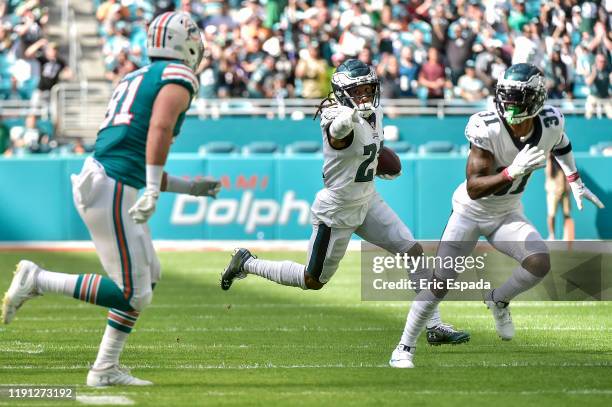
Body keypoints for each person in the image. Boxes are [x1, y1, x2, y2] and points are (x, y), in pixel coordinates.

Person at [2, 12, 221, 386]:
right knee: (134, 293)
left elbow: (134, 154)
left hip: (108, 180)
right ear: (180, 41)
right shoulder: (178, 76)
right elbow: (160, 128)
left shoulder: (135, 77)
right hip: (112, 185)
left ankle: (105, 368)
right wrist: (151, 188)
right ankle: (37, 279)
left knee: (147, 278)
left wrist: (187, 187)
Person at [221, 59, 469, 347]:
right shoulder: (334, 114)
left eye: (367, 89)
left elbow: (372, 145)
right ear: (342, 93)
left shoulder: (374, 110)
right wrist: (345, 119)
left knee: (412, 251)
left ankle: (434, 325)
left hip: (367, 198)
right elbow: (338, 135)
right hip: (337, 209)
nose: (364, 96)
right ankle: (247, 263)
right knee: (312, 280)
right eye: (357, 91)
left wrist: (381, 161)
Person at [390, 63, 604, 368]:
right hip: (469, 212)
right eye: (507, 95)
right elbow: (475, 187)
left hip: (507, 213)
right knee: (440, 283)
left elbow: (561, 143)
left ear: (536, 98)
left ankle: (498, 299)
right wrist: (510, 171)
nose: (510, 104)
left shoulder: (550, 120)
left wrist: (574, 179)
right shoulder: (487, 126)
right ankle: (404, 347)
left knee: (539, 262)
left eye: (518, 97)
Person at [545, 153, 572, 240]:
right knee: (551, 214)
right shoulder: (549, 161)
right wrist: (549, 158)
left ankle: (567, 235)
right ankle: (552, 235)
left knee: (567, 214)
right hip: (553, 191)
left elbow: (569, 173)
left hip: (564, 191)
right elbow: (549, 174)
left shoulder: (564, 160)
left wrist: (568, 186)